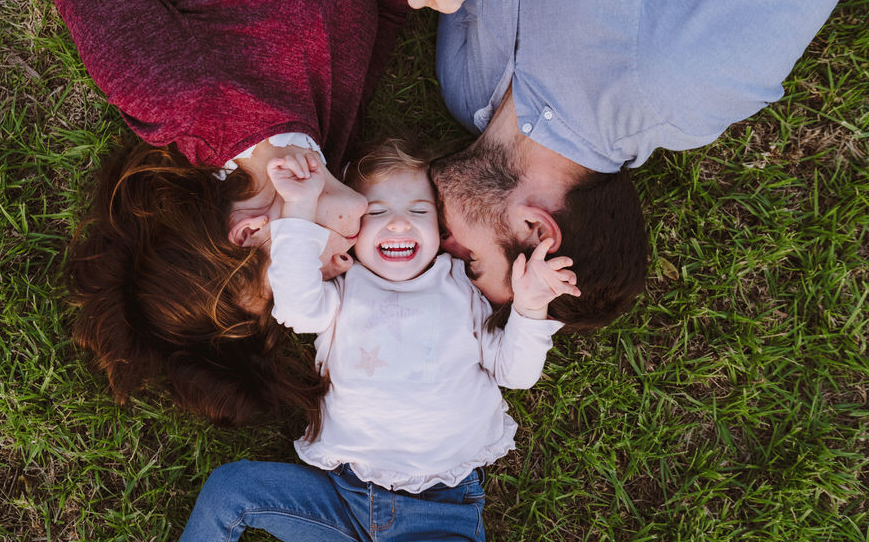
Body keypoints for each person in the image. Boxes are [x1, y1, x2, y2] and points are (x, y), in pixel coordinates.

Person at [25, 0, 474, 427]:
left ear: (249, 232)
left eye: (300, 278)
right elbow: (369, 0)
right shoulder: (327, 144)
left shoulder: (175, 93)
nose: (341, 270)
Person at [411, 0, 869, 330]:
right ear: (536, 229)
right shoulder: (678, 86)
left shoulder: (463, 88)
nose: (437, 244)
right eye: (468, 260)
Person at [179, 141, 581, 541]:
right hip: (341, 498)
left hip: (437, 509)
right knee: (230, 490)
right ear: (353, 228)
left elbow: (516, 373)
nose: (400, 223)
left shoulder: (462, 290)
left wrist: (529, 309)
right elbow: (295, 307)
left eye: (418, 211)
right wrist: (299, 207)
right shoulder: (341, 291)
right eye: (377, 212)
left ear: (440, 231)